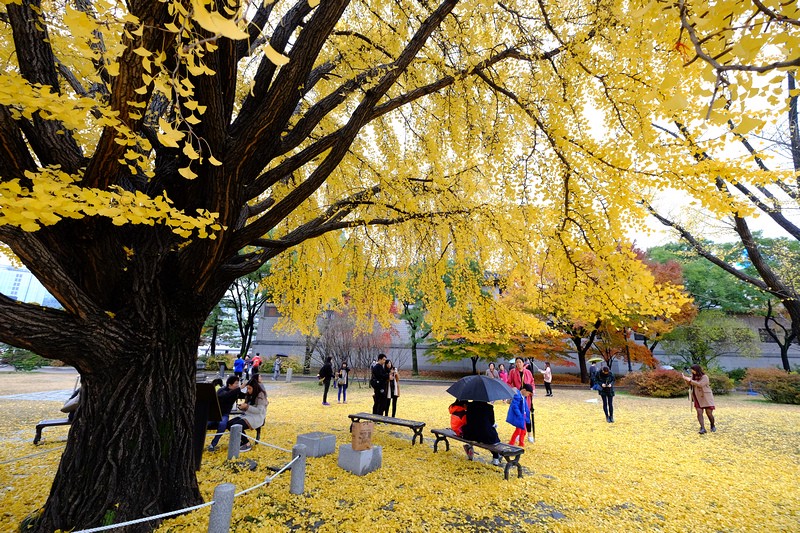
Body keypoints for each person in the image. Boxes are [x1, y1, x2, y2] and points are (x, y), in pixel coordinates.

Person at [226, 380, 267, 452]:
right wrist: (242, 407)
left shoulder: (260, 395)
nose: (248, 390)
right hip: (247, 415)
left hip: (257, 417)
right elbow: (245, 406)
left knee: (237, 425)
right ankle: (240, 441)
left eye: (250, 388)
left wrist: (247, 407)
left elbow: (259, 411)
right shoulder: (249, 394)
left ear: (254, 388)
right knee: (229, 424)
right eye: (247, 388)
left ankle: (247, 444)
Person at [462, 401, 502, 466]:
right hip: (485, 435)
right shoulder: (489, 407)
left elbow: (468, 419)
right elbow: (492, 422)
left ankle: (469, 448)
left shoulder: (470, 406)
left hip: (470, 434)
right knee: (494, 439)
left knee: (485, 434)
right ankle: (496, 457)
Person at [208, 376, 240, 451]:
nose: (237, 385)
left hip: (224, 414)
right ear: (230, 384)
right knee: (204, 424)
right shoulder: (221, 390)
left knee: (223, 425)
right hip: (214, 413)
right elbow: (224, 395)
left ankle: (213, 444)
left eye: (238, 383)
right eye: (236, 383)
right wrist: (239, 389)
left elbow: (245, 395)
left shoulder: (235, 392)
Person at [507, 357, 535, 442]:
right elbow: (508, 382)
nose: (518, 364)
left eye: (520, 362)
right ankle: (519, 433)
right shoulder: (512, 372)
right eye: (517, 362)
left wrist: (532, 391)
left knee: (527, 415)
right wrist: (513, 389)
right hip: (518, 396)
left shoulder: (528, 372)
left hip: (527, 396)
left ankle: (529, 434)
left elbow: (532, 382)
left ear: (523, 363)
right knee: (519, 415)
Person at [682, 364, 716, 434]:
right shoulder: (693, 377)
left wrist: (690, 380)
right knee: (699, 413)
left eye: (693, 370)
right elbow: (690, 385)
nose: (692, 371)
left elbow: (700, 384)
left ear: (697, 370)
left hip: (706, 397)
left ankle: (712, 425)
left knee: (709, 413)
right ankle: (702, 428)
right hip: (697, 397)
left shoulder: (705, 377)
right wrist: (686, 379)